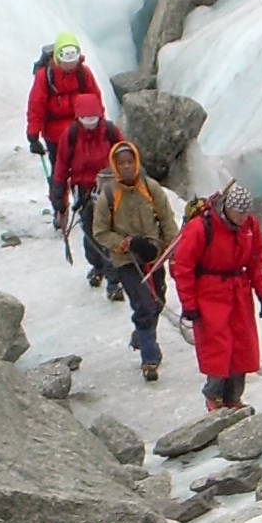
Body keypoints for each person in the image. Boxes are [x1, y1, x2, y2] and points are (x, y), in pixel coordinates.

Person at [170, 178, 262, 411]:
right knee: (218, 347)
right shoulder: (201, 228)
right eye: (239, 214)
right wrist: (189, 304)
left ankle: (233, 398)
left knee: (242, 347)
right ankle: (214, 396)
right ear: (228, 208)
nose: (243, 219)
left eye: (246, 215)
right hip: (209, 293)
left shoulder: (249, 226)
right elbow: (183, 267)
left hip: (238, 292)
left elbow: (256, 259)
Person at [92, 138, 178, 381]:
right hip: (126, 260)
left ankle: (142, 335)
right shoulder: (108, 195)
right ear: (115, 166)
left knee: (157, 301)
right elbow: (99, 231)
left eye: (130, 162)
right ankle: (150, 358)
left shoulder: (150, 188)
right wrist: (122, 243)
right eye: (122, 163)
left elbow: (167, 220)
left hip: (154, 255)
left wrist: (170, 248)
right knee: (143, 305)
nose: (127, 167)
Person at [50, 96, 121, 286]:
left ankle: (113, 278)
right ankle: (99, 266)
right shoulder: (71, 135)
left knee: (108, 232)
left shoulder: (110, 132)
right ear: (78, 118)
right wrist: (58, 196)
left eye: (93, 119)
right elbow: (62, 165)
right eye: (85, 119)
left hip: (109, 188)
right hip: (83, 192)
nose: (90, 124)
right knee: (91, 233)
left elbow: (125, 156)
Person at [25, 33, 101, 175]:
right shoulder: (45, 76)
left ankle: (80, 194)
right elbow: (36, 106)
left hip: (80, 129)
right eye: (66, 62)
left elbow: (95, 99)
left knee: (82, 168)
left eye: (73, 62)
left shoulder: (83, 73)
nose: (70, 66)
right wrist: (33, 135)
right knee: (61, 170)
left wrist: (98, 122)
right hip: (56, 134)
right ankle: (61, 195)